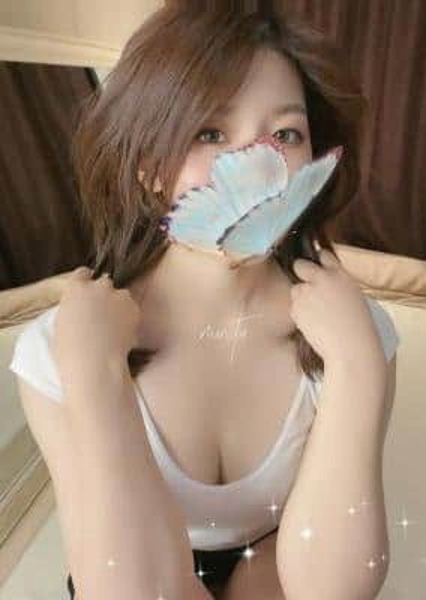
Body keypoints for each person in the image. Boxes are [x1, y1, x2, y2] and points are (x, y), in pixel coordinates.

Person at [10, 3, 399, 599]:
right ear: (147, 165)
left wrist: (358, 368)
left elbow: (336, 592)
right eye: (210, 133)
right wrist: (95, 380)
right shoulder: (54, 351)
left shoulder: (355, 333)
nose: (260, 166)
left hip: (283, 549)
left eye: (286, 135)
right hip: (128, 558)